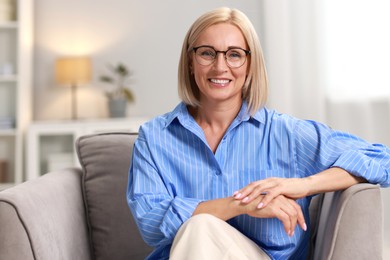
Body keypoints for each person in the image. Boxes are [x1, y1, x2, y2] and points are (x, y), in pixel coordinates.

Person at [127, 7, 390, 260]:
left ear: (250, 65)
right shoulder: (154, 138)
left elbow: (382, 159)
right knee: (200, 227)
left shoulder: (286, 134)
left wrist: (302, 185)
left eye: (234, 54)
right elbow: (151, 221)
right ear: (190, 62)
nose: (220, 66)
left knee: (200, 225)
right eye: (207, 53)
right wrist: (240, 205)